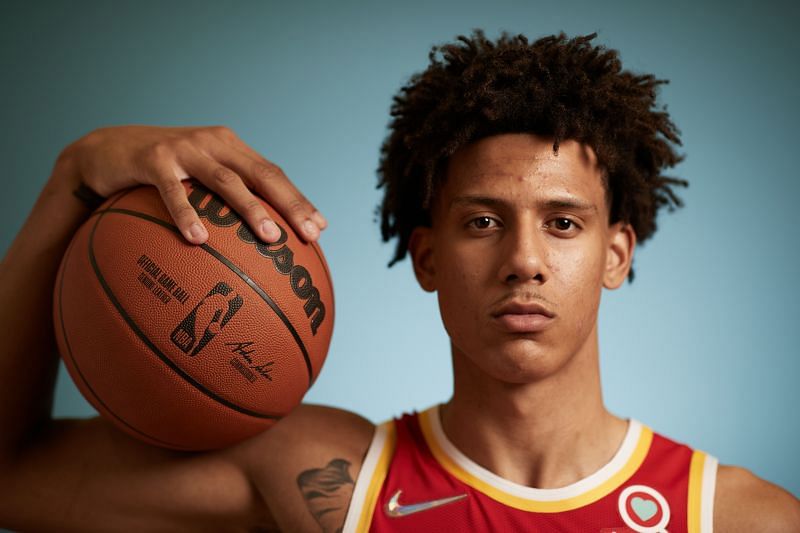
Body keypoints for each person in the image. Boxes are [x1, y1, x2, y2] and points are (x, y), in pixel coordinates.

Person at [0, 31, 797, 532]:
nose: (524, 259)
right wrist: (72, 176)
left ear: (616, 255)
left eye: (562, 222)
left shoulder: (734, 516)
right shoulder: (323, 474)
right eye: (482, 221)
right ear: (426, 258)